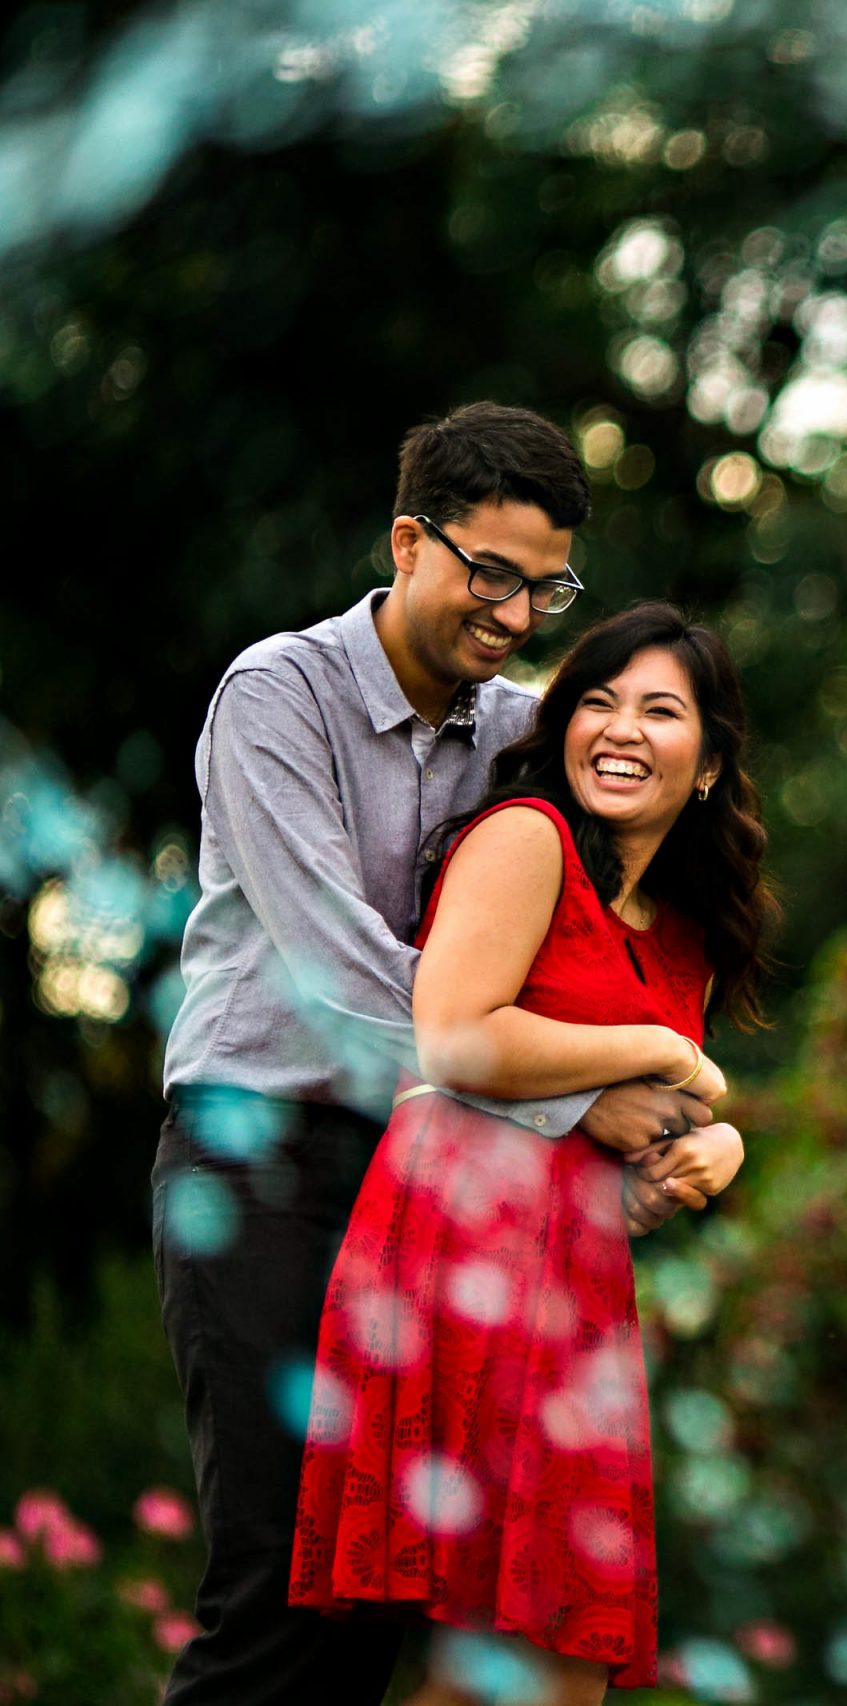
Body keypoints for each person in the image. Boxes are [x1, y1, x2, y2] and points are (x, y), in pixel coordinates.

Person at [153, 404, 720, 1706]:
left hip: (444, 1192)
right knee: (277, 1582)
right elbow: (337, 969)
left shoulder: (527, 730)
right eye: (492, 573)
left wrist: (698, 1110)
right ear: (408, 541)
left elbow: (609, 927)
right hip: (265, 1160)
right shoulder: (277, 695)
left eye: (549, 585)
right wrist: (585, 1086)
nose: (517, 614)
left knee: (384, 1593)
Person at [290, 603, 773, 1705]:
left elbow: (618, 1129)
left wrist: (715, 1145)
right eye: (596, 700)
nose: (620, 728)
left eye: (660, 709)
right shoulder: (525, 837)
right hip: (460, 1253)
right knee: (508, 1666)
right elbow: (455, 1034)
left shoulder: (689, 927)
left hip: (573, 1282)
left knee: (553, 1669)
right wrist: (661, 1051)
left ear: (709, 762)